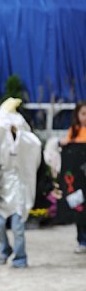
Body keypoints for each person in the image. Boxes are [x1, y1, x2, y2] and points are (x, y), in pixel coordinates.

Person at [0, 98, 42, 268]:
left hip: (19, 188)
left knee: (18, 226)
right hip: (2, 187)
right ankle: (4, 249)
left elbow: (34, 149)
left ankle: (20, 257)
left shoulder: (27, 141)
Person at [60, 100, 86, 253]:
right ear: (77, 115)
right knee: (79, 208)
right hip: (76, 181)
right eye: (83, 114)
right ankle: (82, 240)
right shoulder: (74, 131)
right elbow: (66, 146)